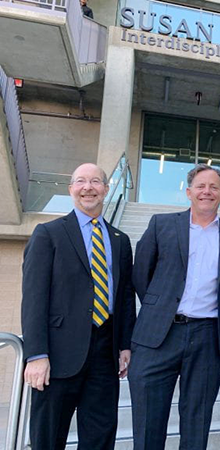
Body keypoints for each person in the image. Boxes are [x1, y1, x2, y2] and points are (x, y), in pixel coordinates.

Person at [128, 164, 220, 450]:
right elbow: (140, 274)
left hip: (207, 337)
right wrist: (161, 309)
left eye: (214, 187)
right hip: (158, 336)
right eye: (201, 186)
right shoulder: (161, 224)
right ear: (188, 191)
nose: (207, 191)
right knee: (148, 422)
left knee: (196, 422)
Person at [21, 163, 136, 450]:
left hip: (104, 353)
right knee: (48, 437)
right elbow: (34, 298)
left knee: (99, 436)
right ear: (71, 189)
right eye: (81, 182)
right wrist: (36, 354)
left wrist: (124, 345)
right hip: (57, 355)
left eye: (95, 182)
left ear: (106, 190)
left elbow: (123, 297)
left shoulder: (120, 241)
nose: (88, 187)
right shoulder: (48, 234)